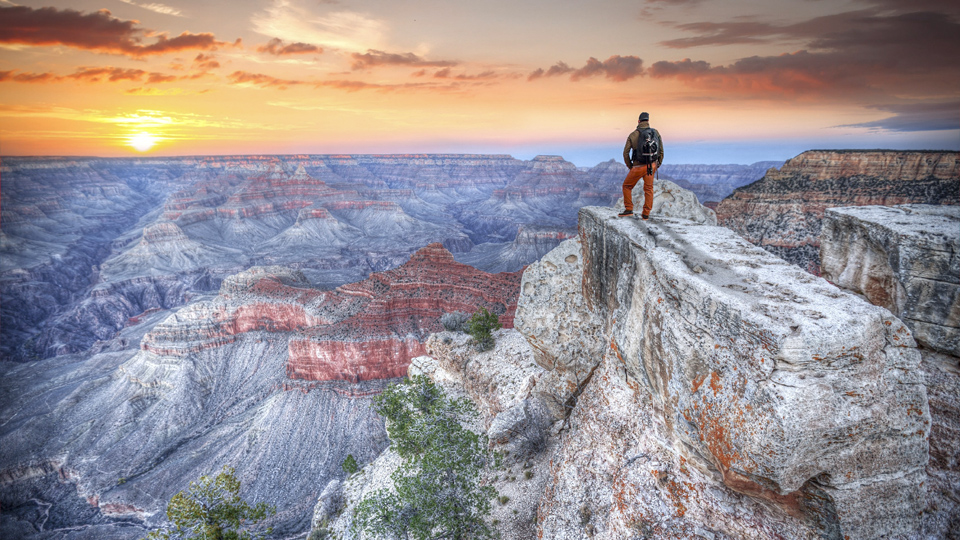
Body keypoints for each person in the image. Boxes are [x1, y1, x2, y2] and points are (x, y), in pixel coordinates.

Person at [619, 112, 663, 219]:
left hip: (638, 166)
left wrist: (631, 166)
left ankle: (629, 209)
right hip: (651, 166)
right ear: (648, 121)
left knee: (627, 186)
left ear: (639, 121)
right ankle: (646, 214)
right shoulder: (655, 133)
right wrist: (656, 165)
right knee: (649, 189)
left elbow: (625, 153)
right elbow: (661, 151)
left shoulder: (633, 135)